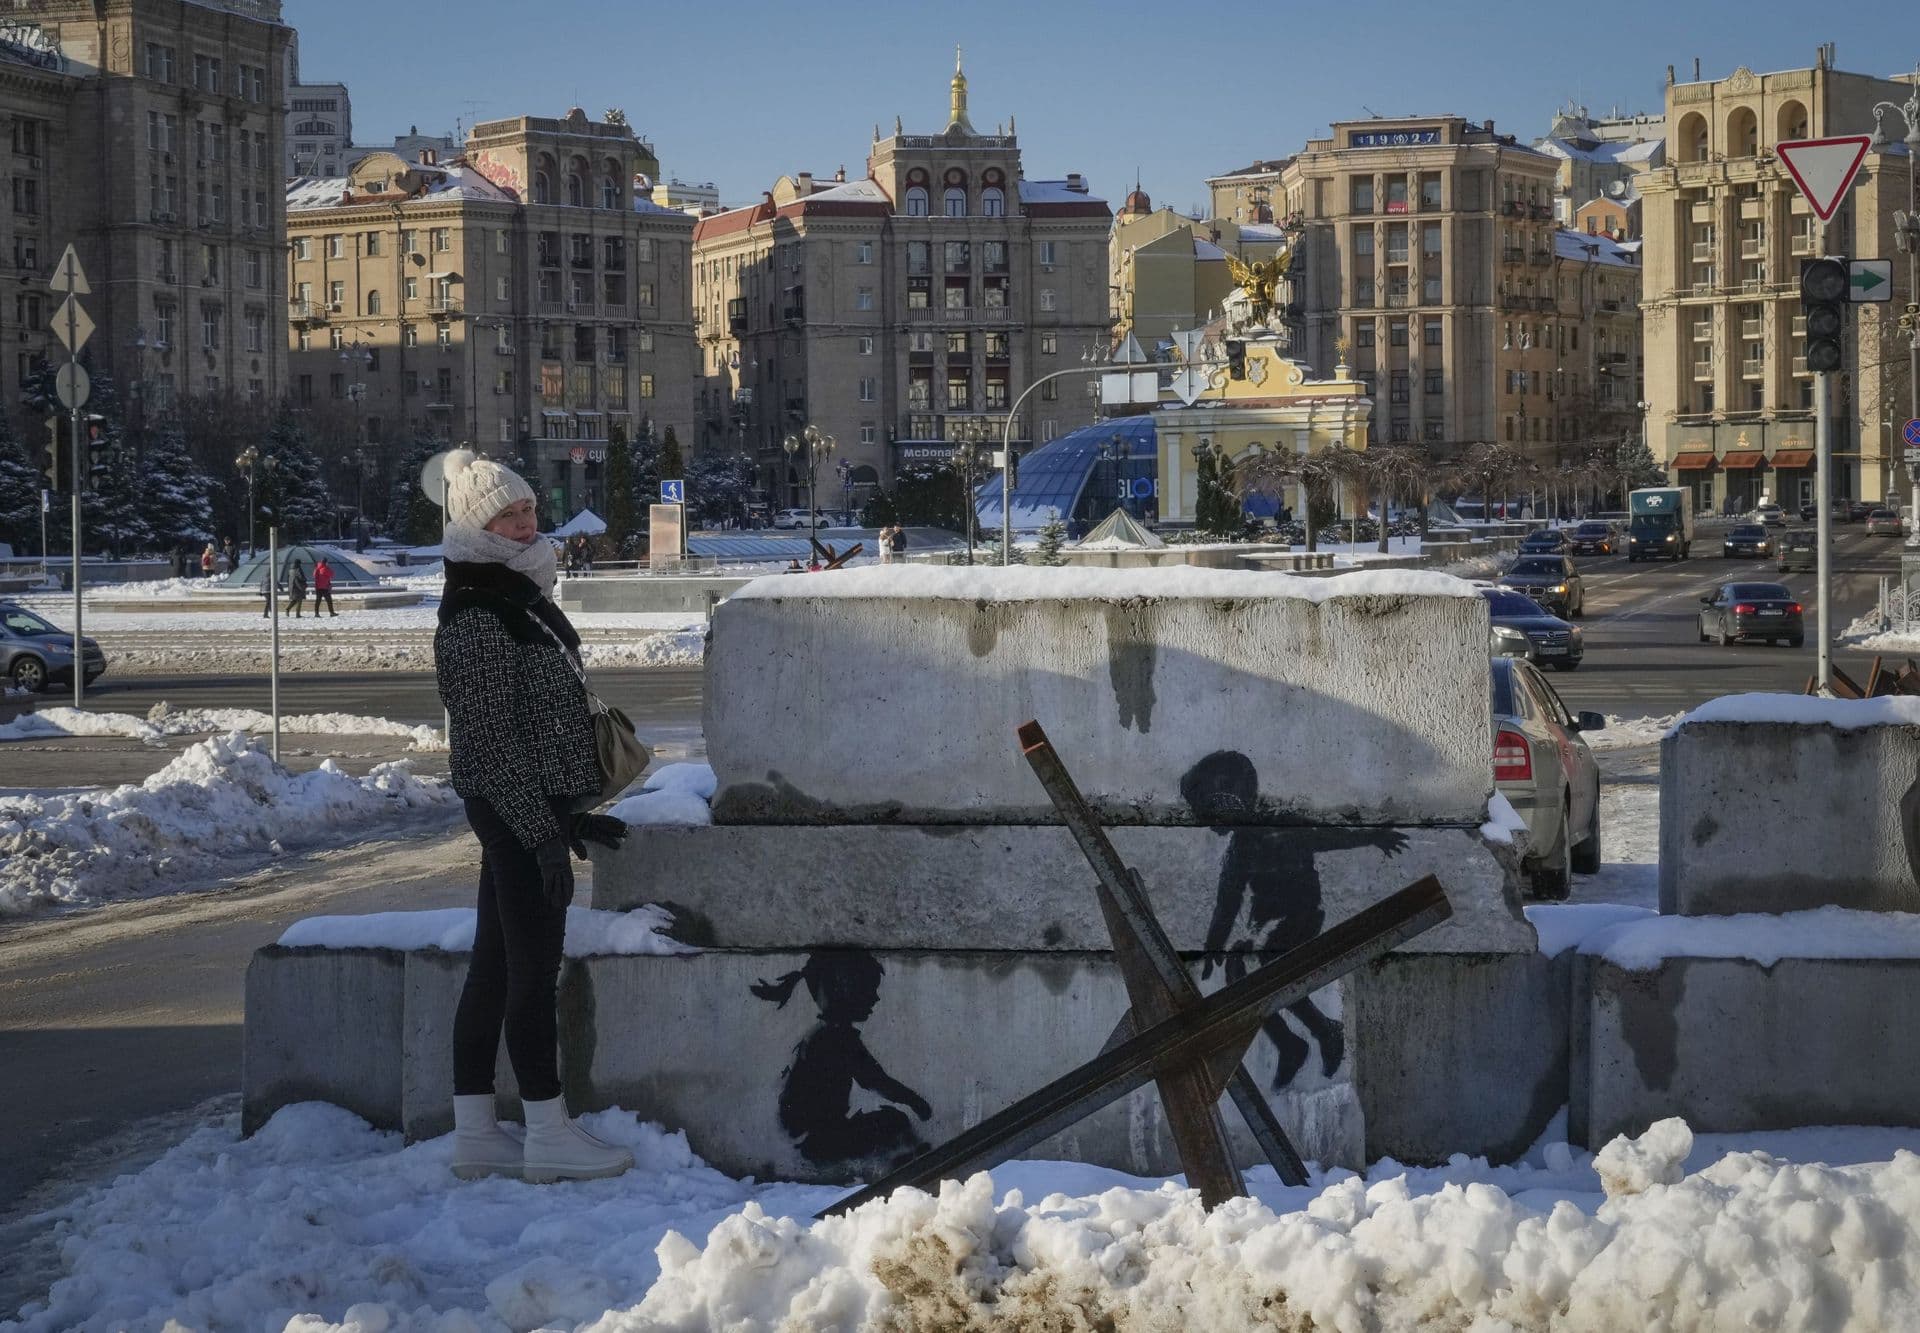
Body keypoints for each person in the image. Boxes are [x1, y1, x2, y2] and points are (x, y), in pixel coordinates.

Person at [434, 448, 633, 1184]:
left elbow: (532, 724)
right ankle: (547, 1131)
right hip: (515, 811)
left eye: (526, 510)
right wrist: (543, 834)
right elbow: (489, 744)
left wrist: (570, 819)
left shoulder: (513, 594)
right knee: (531, 973)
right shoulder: (477, 613)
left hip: (533, 810)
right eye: (507, 515)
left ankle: (477, 1131)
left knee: (492, 966)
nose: (525, 524)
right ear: (476, 526)